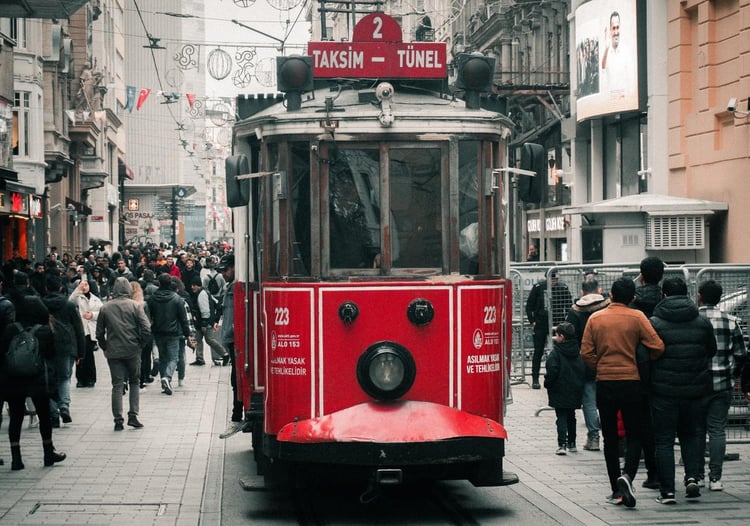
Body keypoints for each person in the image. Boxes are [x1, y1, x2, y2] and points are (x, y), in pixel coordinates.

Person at [581, 277, 665, 508]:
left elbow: (586, 352)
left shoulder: (595, 319)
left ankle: (615, 489)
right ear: (633, 298)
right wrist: (641, 364)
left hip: (605, 382)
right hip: (631, 381)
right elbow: (657, 346)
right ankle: (627, 475)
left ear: (610, 296)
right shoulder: (637, 317)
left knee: (609, 436)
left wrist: (600, 366)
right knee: (634, 432)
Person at [649, 277, 717, 505]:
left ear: (664, 295)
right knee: (691, 435)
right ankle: (692, 477)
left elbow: (647, 355)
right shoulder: (701, 322)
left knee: (665, 440)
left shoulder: (655, 323)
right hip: (695, 390)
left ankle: (667, 491)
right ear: (687, 294)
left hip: (663, 391)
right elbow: (711, 350)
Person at [1, 272, 66, 470]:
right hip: (37, 380)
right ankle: (48, 454)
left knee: (16, 418)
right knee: (44, 416)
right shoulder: (44, 331)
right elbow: (52, 355)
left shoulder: (11, 329)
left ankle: (16, 459)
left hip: (13, 379)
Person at [696, 279, 747, 491]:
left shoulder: (693, 320)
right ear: (719, 298)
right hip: (722, 383)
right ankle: (715, 478)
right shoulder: (731, 321)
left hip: (696, 384)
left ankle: (696, 475)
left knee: (696, 430)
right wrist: (732, 374)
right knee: (717, 430)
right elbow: (741, 354)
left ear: (699, 295)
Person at [629, 255, 665, 490]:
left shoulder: (633, 305)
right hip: (664, 370)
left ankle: (651, 471)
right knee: (665, 425)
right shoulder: (666, 302)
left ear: (641, 276)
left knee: (642, 425)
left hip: (637, 371)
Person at [96, 277, 151, 430]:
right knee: (134, 381)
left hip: (113, 351)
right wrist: (140, 344)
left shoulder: (105, 308)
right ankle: (133, 415)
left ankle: (118, 420)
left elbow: (99, 332)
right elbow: (146, 328)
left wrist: (104, 347)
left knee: (117, 385)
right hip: (132, 349)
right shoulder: (135, 306)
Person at [565, 278, 610, 452]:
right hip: (609, 359)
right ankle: (614, 435)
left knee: (589, 401)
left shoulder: (575, 311)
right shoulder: (608, 307)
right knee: (609, 401)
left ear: (582, 292)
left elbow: (570, 338)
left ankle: (594, 437)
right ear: (599, 290)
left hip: (585, 362)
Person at [42, 274, 86, 427]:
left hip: (47, 344)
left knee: (50, 379)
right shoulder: (68, 305)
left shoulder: (42, 304)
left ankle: (53, 413)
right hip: (67, 345)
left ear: (47, 288)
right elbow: (79, 329)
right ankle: (64, 406)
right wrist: (81, 351)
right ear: (61, 288)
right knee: (65, 377)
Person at [525, 270, 572, 389]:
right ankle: (535, 378)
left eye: (555, 279)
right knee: (538, 351)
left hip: (557, 322)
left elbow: (568, 305)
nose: (553, 282)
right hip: (541, 322)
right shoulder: (538, 287)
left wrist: (566, 321)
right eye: (551, 279)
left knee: (560, 349)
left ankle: (560, 377)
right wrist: (532, 321)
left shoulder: (563, 288)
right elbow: (529, 305)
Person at [216, 254, 246, 439]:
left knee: (237, 380)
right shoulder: (230, 287)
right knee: (236, 380)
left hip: (236, 341)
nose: (224, 274)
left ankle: (236, 418)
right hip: (231, 340)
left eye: (226, 270)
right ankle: (236, 417)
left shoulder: (237, 288)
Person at [544, 321, 585, 455]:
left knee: (561, 417)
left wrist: (548, 383)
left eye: (557, 335)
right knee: (571, 416)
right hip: (574, 388)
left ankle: (562, 444)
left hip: (559, 389)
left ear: (561, 336)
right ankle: (572, 443)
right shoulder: (577, 351)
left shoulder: (556, 352)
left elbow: (552, 370)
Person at [146, 273, 190, 395]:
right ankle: (167, 377)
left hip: (158, 332)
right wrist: (187, 333)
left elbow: (149, 316)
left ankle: (164, 381)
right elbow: (183, 318)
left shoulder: (152, 299)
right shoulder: (177, 299)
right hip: (173, 332)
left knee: (163, 358)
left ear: (159, 283)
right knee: (174, 358)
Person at [69, 280, 103, 388]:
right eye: (82, 285)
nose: (84, 287)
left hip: (91, 330)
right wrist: (78, 289)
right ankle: (80, 379)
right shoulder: (77, 297)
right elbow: (71, 300)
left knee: (89, 355)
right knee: (80, 356)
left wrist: (92, 315)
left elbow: (102, 313)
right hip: (80, 330)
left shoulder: (96, 299)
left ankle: (91, 378)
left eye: (86, 285)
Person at [189, 276, 229, 367]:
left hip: (204, 322)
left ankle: (225, 354)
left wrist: (204, 323)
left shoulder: (202, 294)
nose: (192, 287)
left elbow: (205, 310)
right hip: (203, 322)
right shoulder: (205, 292)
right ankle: (199, 358)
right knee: (198, 339)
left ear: (198, 285)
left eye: (194, 285)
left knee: (209, 339)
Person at [601, 10, 636, 101]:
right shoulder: (606, 52)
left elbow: (631, 82)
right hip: (610, 102)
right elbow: (603, 71)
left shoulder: (627, 52)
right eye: (614, 28)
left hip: (625, 101)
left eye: (618, 27)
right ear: (610, 30)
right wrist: (606, 49)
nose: (616, 32)